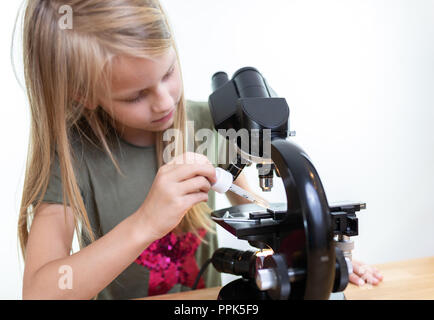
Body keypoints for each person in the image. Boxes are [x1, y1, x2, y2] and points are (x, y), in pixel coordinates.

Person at [16, 0, 382, 300]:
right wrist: (145, 223)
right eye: (136, 95)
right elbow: (39, 292)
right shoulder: (71, 155)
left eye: (168, 73)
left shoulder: (208, 123)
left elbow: (255, 210)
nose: (163, 102)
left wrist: (322, 256)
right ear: (83, 93)